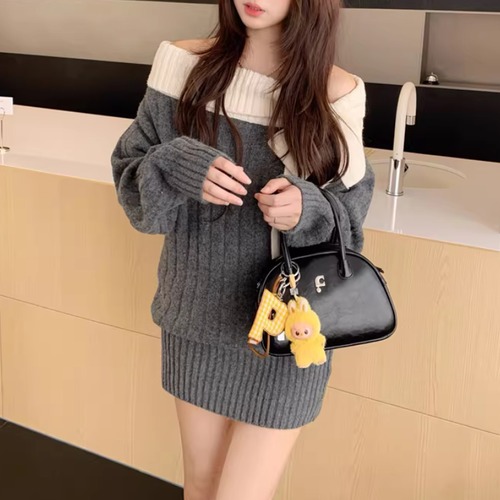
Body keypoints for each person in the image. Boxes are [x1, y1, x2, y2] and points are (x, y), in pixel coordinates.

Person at [111, 0, 375, 498]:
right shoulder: (182, 66)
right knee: (202, 485)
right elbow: (132, 182)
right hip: (198, 317)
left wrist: (307, 209)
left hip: (290, 333)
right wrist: (175, 164)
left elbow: (349, 224)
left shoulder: (337, 92)